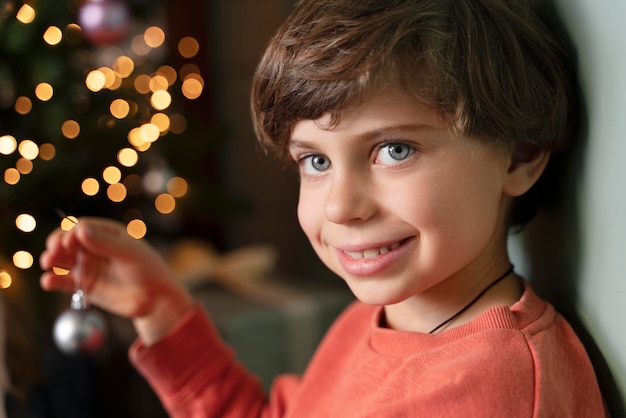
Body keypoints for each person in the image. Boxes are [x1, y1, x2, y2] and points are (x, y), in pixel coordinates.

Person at [40, 0, 607, 416]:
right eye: (314, 161)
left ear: (520, 156)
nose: (340, 207)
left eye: (394, 149)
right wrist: (161, 309)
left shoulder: (489, 390)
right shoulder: (380, 314)